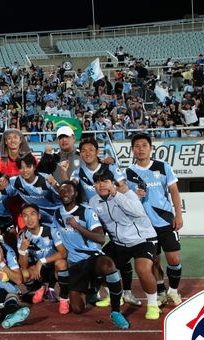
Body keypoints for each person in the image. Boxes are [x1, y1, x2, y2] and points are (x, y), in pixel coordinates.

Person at [54, 181, 129, 329]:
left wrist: (77, 227)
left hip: (92, 257)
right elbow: (58, 241)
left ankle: (116, 312)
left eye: (68, 190)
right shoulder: (56, 214)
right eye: (62, 190)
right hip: (75, 264)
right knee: (77, 309)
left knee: (108, 265)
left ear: (75, 194)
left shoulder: (86, 211)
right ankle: (92, 288)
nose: (65, 193)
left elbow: (100, 238)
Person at [89, 169, 161, 321]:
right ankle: (115, 296)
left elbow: (138, 212)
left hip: (143, 239)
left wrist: (116, 194)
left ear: (112, 183)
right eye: (97, 182)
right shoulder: (93, 202)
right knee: (98, 265)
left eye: (105, 181)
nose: (101, 185)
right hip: (119, 243)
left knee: (142, 269)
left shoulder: (127, 195)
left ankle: (153, 305)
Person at [126, 133, 184, 307]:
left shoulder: (162, 166)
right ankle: (160, 291)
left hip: (165, 221)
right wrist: (134, 195)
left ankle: (173, 290)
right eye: (137, 146)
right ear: (132, 150)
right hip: (144, 226)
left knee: (173, 258)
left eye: (144, 145)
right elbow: (125, 198)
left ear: (151, 148)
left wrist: (178, 215)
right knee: (154, 261)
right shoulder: (128, 173)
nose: (141, 149)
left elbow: (174, 191)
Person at [17, 203, 69, 313]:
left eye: (32, 214)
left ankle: (64, 298)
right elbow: (23, 266)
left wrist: (41, 261)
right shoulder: (23, 236)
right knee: (24, 273)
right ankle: (39, 288)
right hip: (39, 272)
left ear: (39, 216)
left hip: (54, 268)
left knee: (61, 263)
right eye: (25, 215)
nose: (29, 218)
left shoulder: (51, 230)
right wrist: (22, 250)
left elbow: (63, 253)